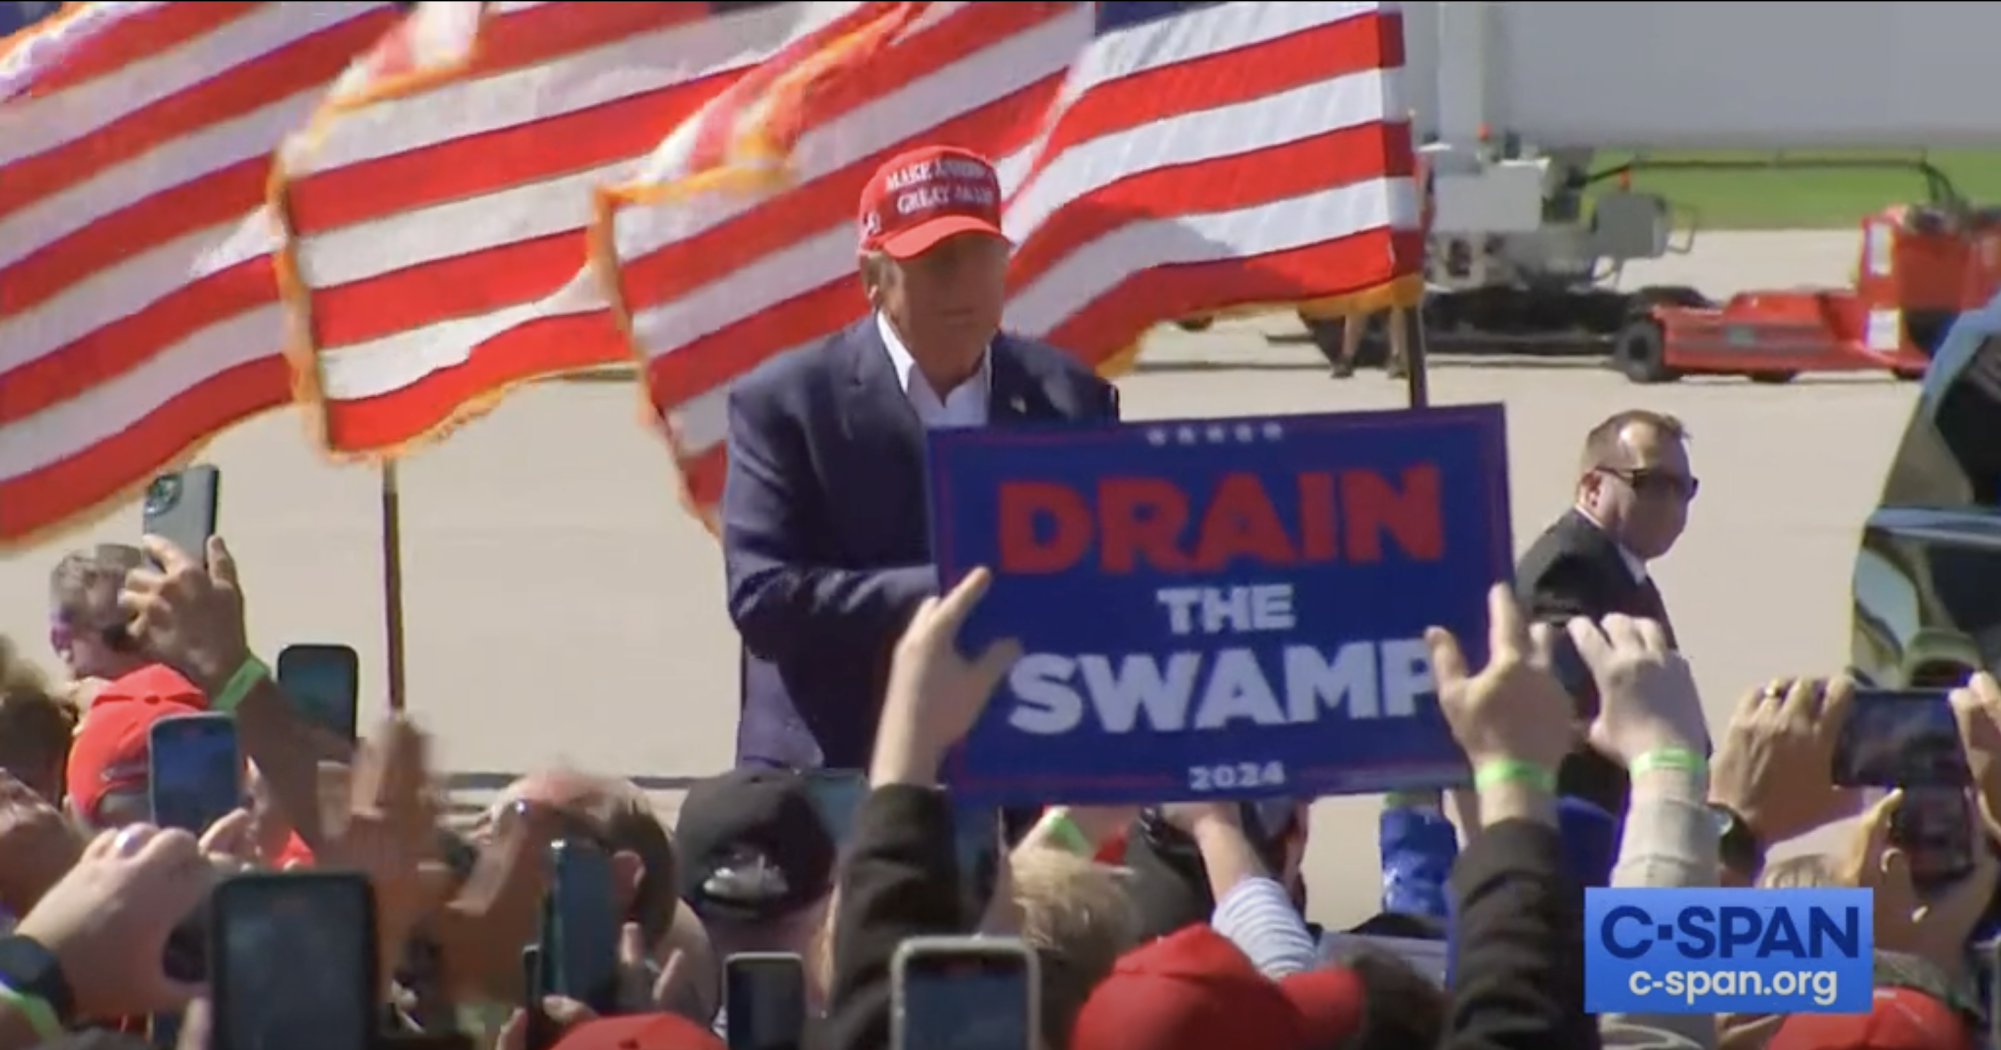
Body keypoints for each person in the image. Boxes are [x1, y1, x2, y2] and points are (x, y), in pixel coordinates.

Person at [720, 144, 1120, 771]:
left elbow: (1113, 570)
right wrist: (958, 591)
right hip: (833, 772)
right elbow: (764, 598)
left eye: (981, 258)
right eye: (936, 262)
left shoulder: (1068, 398)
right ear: (873, 280)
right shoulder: (789, 405)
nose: (962, 282)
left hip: (1021, 766)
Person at [1515, 409, 1697, 815]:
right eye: (1652, 484)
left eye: (1684, 488)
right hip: (1589, 823)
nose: (1672, 503)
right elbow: (1578, 714)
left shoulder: (1619, 564)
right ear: (1593, 488)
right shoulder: (1569, 569)